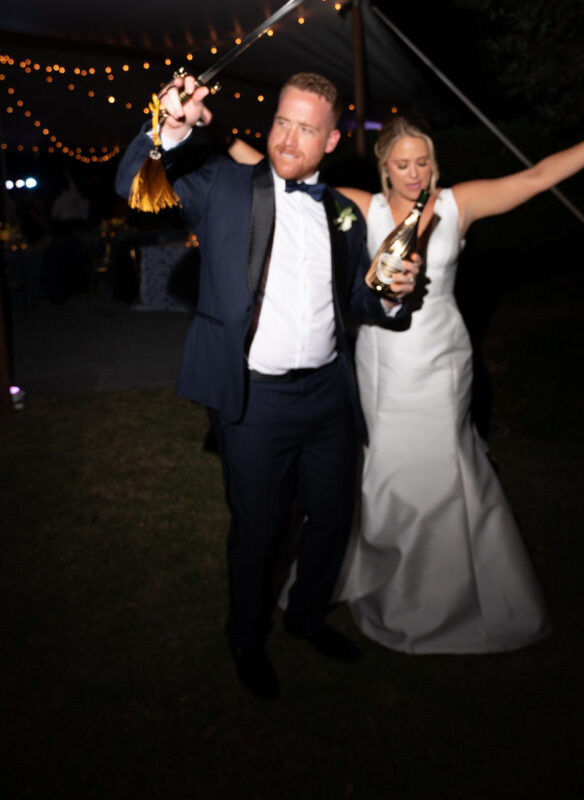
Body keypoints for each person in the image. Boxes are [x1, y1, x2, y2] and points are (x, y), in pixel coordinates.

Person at [228, 94, 584, 654]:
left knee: (441, 466)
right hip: (377, 362)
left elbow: (537, 177)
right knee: (381, 470)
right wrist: (208, 129)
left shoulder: (459, 205)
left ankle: (443, 592)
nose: (414, 175)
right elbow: (274, 173)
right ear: (384, 167)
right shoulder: (360, 209)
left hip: (441, 362)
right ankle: (380, 577)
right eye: (402, 164)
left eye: (423, 163)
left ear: (433, 163)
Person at [115, 71, 420, 699]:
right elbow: (132, 188)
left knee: (332, 519)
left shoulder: (341, 212)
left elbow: (356, 303)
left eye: (307, 128)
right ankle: (246, 637)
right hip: (256, 401)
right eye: (283, 121)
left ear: (332, 140)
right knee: (258, 530)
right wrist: (166, 129)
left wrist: (391, 295)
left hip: (331, 399)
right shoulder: (225, 185)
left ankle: (306, 616)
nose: (288, 137)